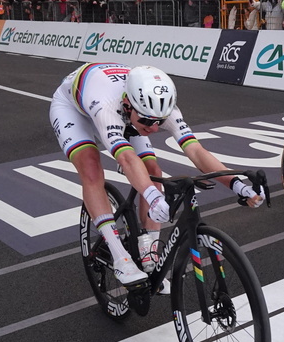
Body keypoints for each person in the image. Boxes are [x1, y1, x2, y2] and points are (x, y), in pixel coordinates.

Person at [49, 64, 264, 286]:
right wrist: (153, 197)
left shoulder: (159, 107)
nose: (153, 129)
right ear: (128, 104)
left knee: (153, 170)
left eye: (159, 122)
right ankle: (121, 258)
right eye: (147, 121)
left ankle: (149, 253)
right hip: (73, 109)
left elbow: (196, 151)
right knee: (91, 169)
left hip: (125, 111)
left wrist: (237, 185)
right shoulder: (107, 105)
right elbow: (126, 158)